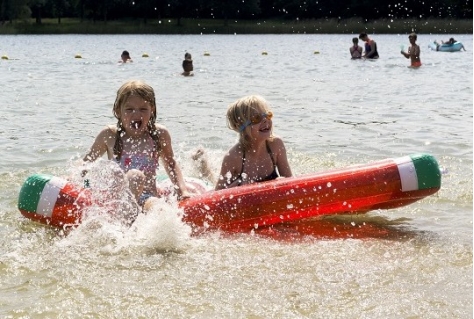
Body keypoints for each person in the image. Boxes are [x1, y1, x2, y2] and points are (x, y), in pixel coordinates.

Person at [83, 80, 191, 211]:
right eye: (129, 109)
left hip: (147, 198)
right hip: (117, 199)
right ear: (118, 111)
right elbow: (86, 164)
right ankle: (124, 214)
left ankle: (129, 220)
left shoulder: (159, 134)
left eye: (143, 109)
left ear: (152, 110)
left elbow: (170, 163)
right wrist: (77, 182)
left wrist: (182, 190)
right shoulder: (109, 135)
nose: (136, 114)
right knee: (134, 176)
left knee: (160, 208)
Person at [215, 95, 292, 190]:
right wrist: (238, 184)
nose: (265, 120)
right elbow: (217, 194)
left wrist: (283, 182)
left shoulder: (275, 145)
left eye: (267, 115)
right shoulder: (233, 157)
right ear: (241, 126)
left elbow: (291, 182)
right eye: (256, 118)